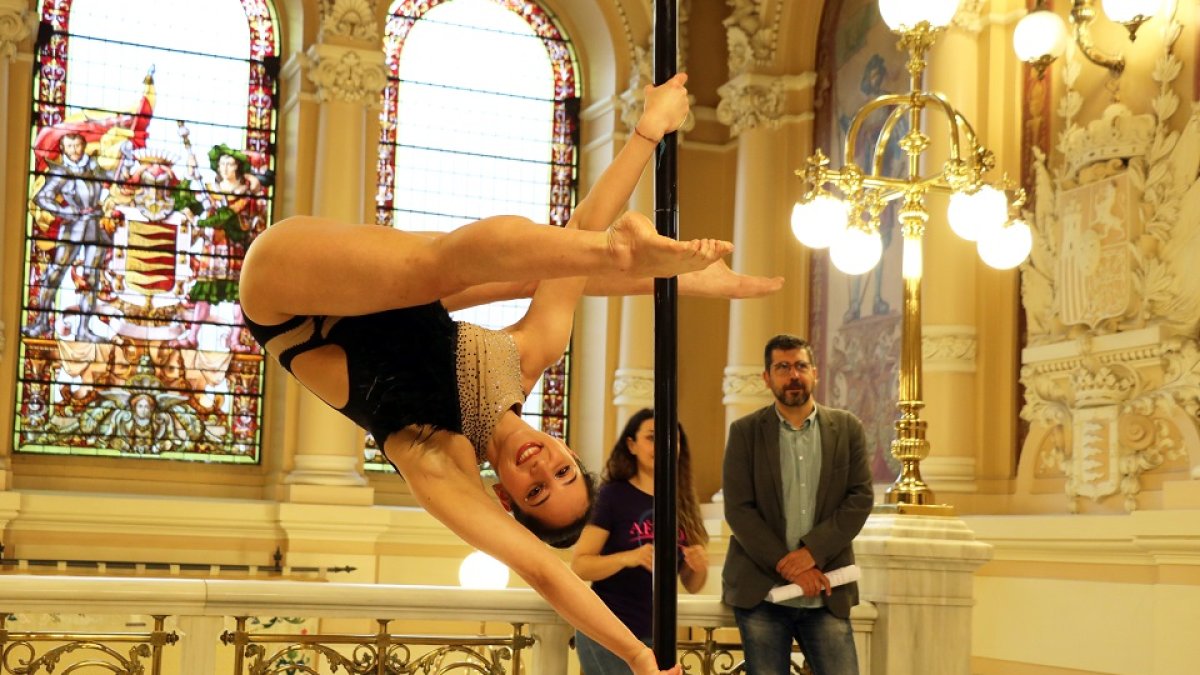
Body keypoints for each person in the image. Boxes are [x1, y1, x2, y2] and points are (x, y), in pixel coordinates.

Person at [240, 73, 782, 675]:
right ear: (567, 449)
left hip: (288, 298)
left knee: (465, 267)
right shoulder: (527, 358)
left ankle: (630, 259)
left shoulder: (439, 460)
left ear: (505, 496)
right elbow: (570, 238)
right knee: (523, 265)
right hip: (388, 278)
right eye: (562, 469)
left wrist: (639, 656)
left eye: (534, 492)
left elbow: (545, 570)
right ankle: (646, 265)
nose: (540, 466)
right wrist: (647, 133)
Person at [721, 334, 873, 675]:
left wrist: (811, 554)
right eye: (783, 367)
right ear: (767, 377)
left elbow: (859, 498)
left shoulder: (847, 428)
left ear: (815, 373)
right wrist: (787, 564)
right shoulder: (746, 432)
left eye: (801, 366)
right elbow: (739, 509)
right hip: (762, 592)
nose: (793, 375)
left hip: (827, 590)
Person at [570, 409, 710, 674]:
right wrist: (628, 558)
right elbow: (580, 565)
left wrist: (698, 566)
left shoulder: (682, 502)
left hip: (658, 636)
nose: (664, 446)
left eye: (672, 439)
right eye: (652, 437)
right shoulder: (612, 496)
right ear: (631, 445)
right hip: (608, 631)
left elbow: (692, 585)